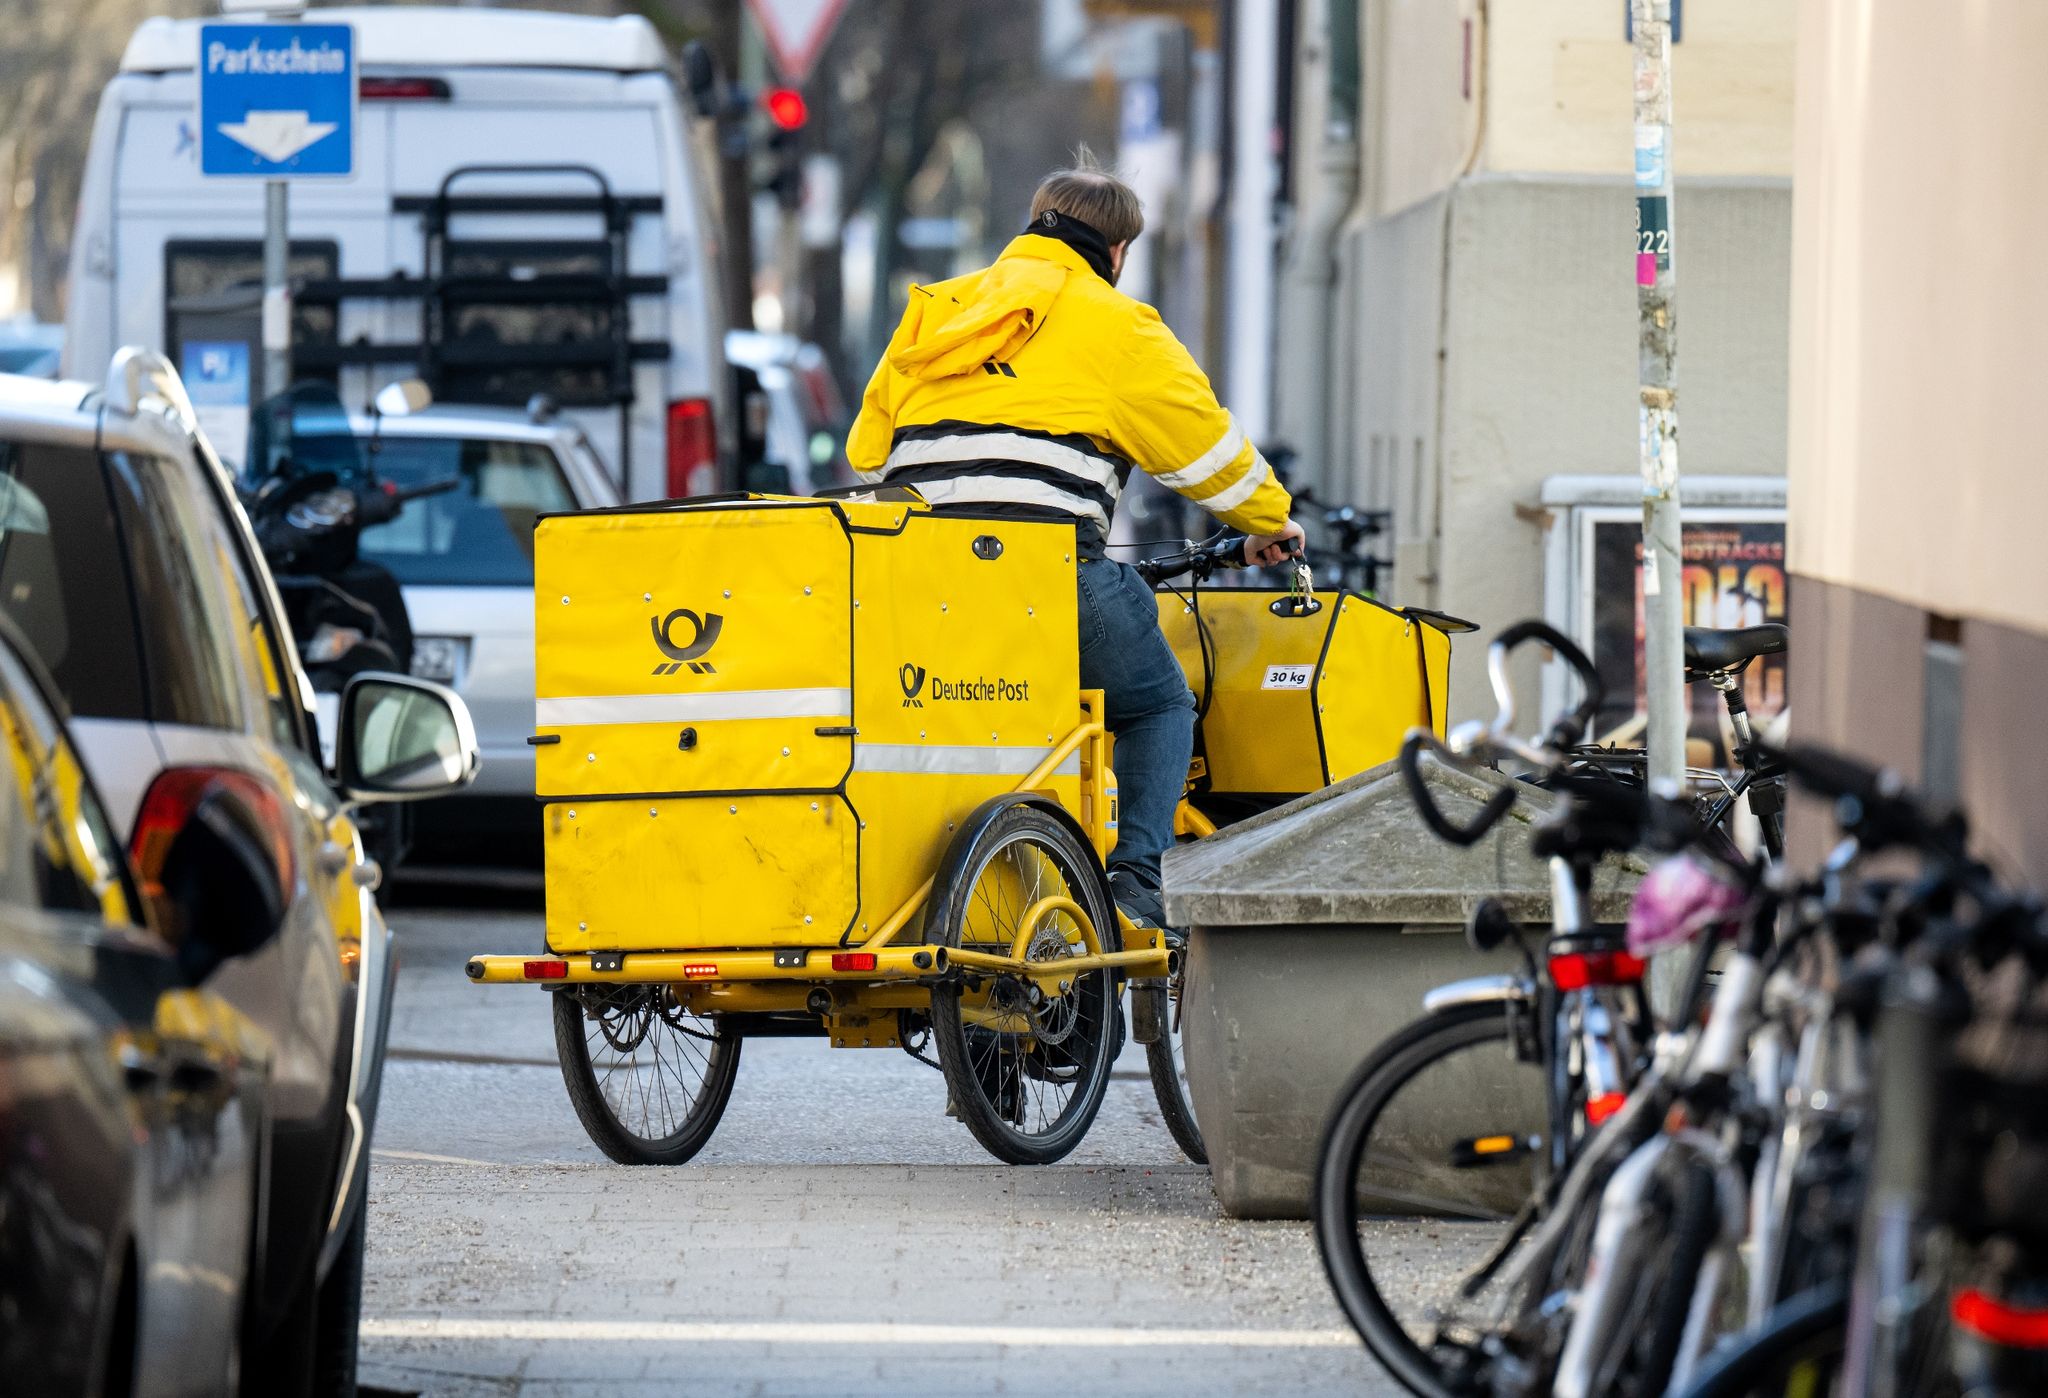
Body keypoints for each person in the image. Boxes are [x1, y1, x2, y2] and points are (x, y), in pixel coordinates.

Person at [847, 151, 1303, 931]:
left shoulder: (939, 306)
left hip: (915, 580)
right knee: (1159, 703)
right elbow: (1206, 450)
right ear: (1118, 251)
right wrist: (1270, 521)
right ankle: (1136, 881)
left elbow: (867, 449)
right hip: (1042, 580)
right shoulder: (1116, 324)